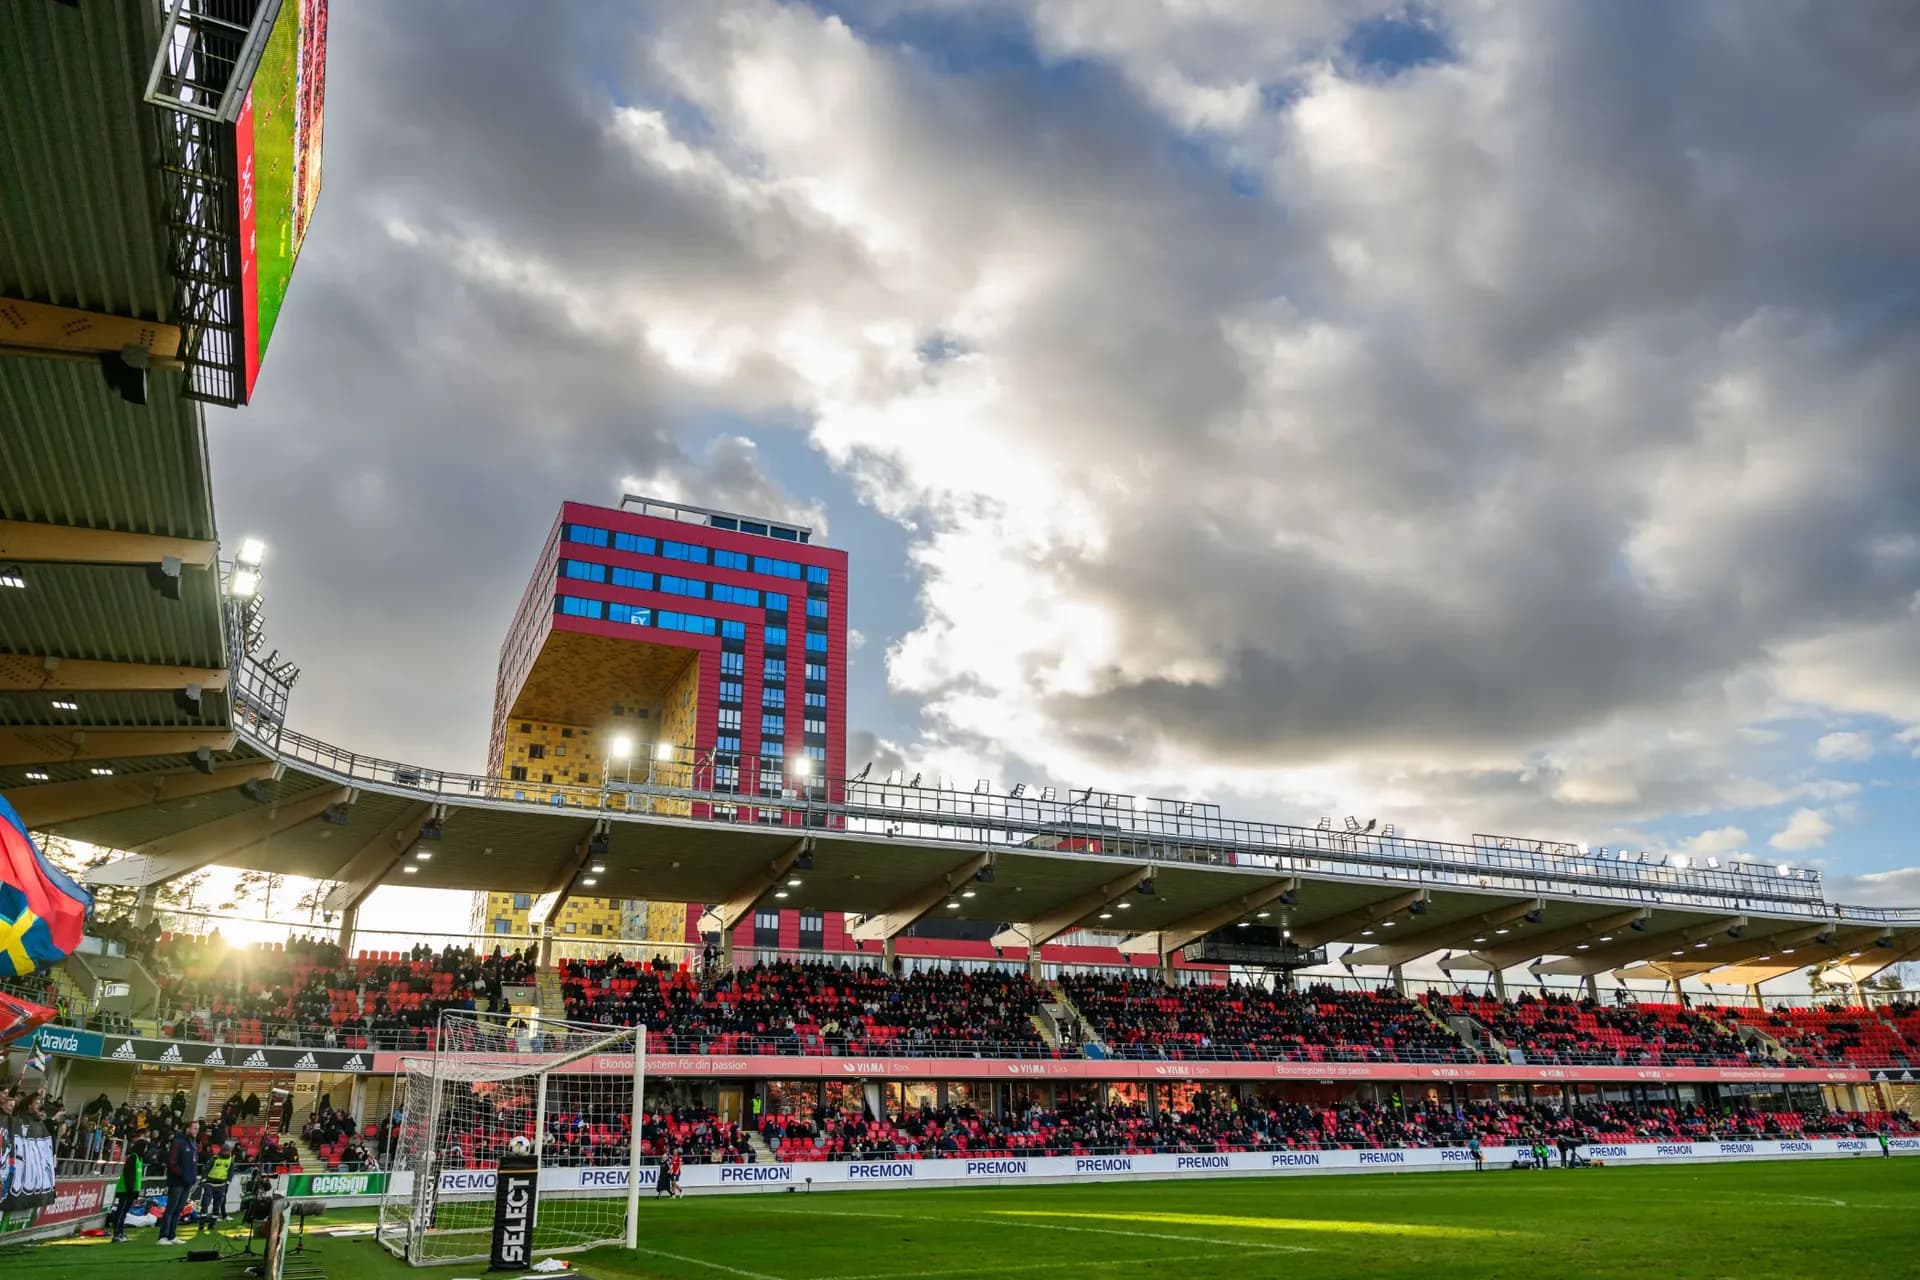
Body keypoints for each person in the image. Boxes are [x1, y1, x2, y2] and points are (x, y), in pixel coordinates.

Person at [157, 1124, 199, 1245]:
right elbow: (172, 1162)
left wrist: (192, 1177)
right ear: (188, 1129)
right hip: (177, 1182)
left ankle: (172, 1235)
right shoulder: (178, 1142)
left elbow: (194, 1162)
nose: (196, 1131)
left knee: (179, 1209)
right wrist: (182, 1175)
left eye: (197, 1129)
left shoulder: (193, 1144)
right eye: (194, 1128)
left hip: (187, 1182)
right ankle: (163, 1236)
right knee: (171, 1208)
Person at [111, 1138, 147, 1242]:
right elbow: (129, 1175)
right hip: (126, 1190)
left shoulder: (139, 1159)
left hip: (131, 1190)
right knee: (121, 1212)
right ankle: (117, 1234)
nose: (146, 1150)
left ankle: (120, 1232)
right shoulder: (133, 1157)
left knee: (124, 1212)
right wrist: (131, 1190)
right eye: (145, 1148)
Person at [204, 1142, 234, 1219]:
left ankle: (221, 1215)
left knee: (221, 1200)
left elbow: (231, 1172)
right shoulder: (215, 1158)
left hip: (223, 1183)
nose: (226, 1152)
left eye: (227, 1151)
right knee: (207, 1200)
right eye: (224, 1151)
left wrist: (228, 1181)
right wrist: (204, 1179)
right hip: (211, 1182)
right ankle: (204, 1216)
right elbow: (206, 1168)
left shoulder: (231, 1160)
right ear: (221, 1151)